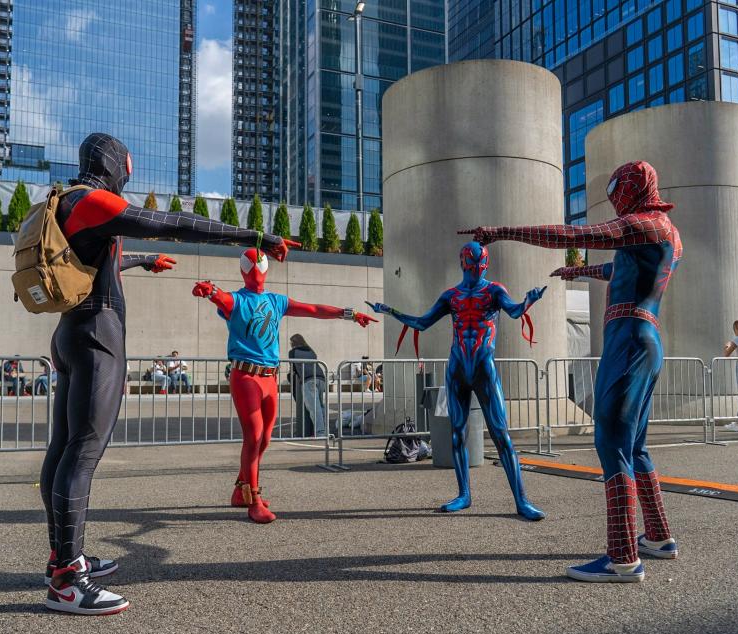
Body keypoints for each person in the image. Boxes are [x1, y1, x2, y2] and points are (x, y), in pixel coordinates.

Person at [39, 132, 297, 615]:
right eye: (127, 167)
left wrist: (143, 260)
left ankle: (64, 556)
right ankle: (66, 579)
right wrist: (253, 236)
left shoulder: (65, 202)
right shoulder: (94, 199)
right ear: (112, 163)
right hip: (98, 337)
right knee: (82, 452)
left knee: (64, 448)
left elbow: (99, 260)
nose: (129, 176)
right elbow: (175, 223)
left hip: (72, 332)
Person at [461, 160, 681, 583]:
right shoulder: (663, 232)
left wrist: (503, 232)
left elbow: (576, 235)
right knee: (634, 445)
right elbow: (620, 269)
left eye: (618, 191)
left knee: (611, 441)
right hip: (645, 334)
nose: (615, 200)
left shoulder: (643, 224)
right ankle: (658, 536)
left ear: (631, 190)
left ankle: (622, 558)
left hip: (629, 335)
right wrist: (579, 271)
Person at [193, 248, 375, 524]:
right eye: (251, 264)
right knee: (253, 438)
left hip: (270, 377)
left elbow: (313, 310)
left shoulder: (276, 301)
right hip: (246, 376)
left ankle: (241, 490)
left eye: (259, 264)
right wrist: (208, 290)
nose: (255, 268)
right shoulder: (235, 301)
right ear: (244, 270)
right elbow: (217, 296)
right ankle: (253, 498)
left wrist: (349, 314)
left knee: (264, 438)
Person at [367, 242, 547, 521]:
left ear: (483, 263)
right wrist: (391, 311)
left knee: (501, 435)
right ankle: (464, 494)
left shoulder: (494, 291)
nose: (476, 268)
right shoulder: (451, 296)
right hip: (458, 369)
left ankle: (521, 500)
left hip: (484, 368)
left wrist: (528, 301)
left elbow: (513, 311)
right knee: (456, 433)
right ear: (463, 262)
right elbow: (423, 323)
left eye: (479, 263)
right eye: (472, 263)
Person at [288, 334, 328, 438]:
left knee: (314, 408)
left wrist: (290, 377)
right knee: (320, 406)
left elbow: (293, 368)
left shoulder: (293, 352)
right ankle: (326, 431)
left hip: (308, 379)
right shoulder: (311, 350)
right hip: (321, 378)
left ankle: (320, 433)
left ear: (293, 343)